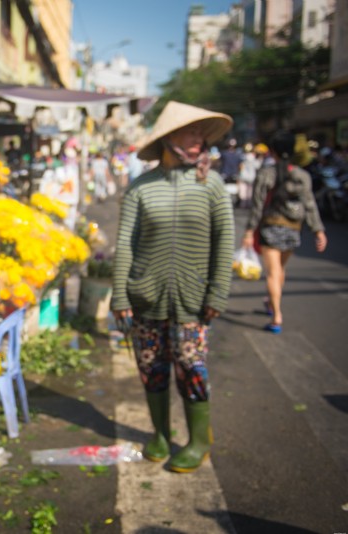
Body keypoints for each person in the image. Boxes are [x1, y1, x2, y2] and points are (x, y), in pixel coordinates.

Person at [111, 101, 235, 473]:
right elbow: (126, 245)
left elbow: (224, 238)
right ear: (168, 139)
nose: (198, 141)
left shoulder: (211, 184)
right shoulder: (140, 189)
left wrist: (218, 292)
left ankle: (199, 441)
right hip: (144, 298)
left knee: (192, 368)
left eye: (201, 134)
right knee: (152, 370)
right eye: (190, 133)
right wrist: (120, 296)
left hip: (194, 301)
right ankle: (161, 435)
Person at [241, 130, 327, 334]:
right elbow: (310, 204)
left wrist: (249, 231)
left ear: (273, 152)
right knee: (280, 269)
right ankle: (272, 301)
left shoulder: (266, 173)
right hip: (293, 229)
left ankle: (276, 315)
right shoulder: (301, 175)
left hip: (270, 227)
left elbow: (257, 206)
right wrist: (318, 231)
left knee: (273, 273)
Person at [237, 143, 259, 208]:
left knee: (243, 191)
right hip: (251, 177)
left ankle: (243, 204)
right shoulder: (254, 158)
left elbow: (239, 167)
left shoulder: (242, 157)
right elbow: (257, 166)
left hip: (243, 176)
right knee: (250, 191)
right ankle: (249, 204)